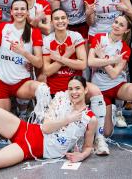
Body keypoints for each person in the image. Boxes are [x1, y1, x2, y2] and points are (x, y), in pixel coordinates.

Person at [41, 9, 109, 155]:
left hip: (76, 85)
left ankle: (100, 138)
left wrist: (59, 58)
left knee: (95, 91)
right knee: (63, 125)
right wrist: (68, 55)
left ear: (68, 20)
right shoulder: (47, 40)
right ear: (52, 22)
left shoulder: (75, 36)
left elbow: (82, 64)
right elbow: (47, 71)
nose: (60, 21)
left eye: (63, 18)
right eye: (56, 18)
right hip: (57, 89)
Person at [88, 15, 132, 152]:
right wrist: (112, 61)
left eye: (121, 25)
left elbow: (114, 74)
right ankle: (112, 112)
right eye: (116, 22)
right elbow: (90, 62)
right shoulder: (99, 37)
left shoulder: (125, 48)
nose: (116, 26)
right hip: (99, 88)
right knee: (106, 133)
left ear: (126, 30)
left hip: (117, 85)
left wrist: (102, 57)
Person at [0, 0, 51, 115]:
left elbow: (39, 63)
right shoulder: (2, 27)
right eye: (16, 9)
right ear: (11, 12)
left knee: (43, 89)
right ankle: (19, 112)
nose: (19, 12)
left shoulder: (34, 31)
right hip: (1, 82)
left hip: (22, 82)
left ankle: (37, 120)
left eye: (23, 9)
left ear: (27, 12)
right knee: (3, 123)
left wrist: (23, 52)